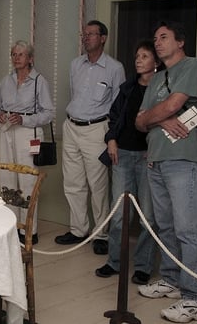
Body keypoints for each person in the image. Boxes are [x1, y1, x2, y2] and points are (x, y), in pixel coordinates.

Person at [135, 21, 197, 322]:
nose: (158, 42)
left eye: (164, 37)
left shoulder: (192, 66)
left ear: (180, 42)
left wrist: (157, 116)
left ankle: (195, 299)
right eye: (155, 39)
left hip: (182, 159)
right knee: (164, 226)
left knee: (188, 229)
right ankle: (171, 279)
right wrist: (160, 118)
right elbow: (139, 121)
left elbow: (174, 105)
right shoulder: (156, 78)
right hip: (155, 159)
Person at [55, 20, 126, 255]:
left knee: (98, 185)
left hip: (97, 129)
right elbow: (76, 96)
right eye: (84, 34)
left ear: (103, 38)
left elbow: (119, 106)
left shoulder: (115, 68)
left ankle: (102, 234)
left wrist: (112, 136)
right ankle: (78, 230)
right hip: (71, 126)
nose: (86, 38)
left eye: (91, 34)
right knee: (73, 183)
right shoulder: (76, 64)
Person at [95, 40, 161, 285]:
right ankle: (115, 262)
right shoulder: (128, 88)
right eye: (137, 56)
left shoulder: (162, 89)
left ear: (156, 62)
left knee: (147, 216)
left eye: (144, 56)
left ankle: (143, 266)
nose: (138, 60)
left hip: (148, 157)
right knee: (120, 213)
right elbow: (114, 118)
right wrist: (111, 140)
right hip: (121, 154)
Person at [0, 40, 55, 245]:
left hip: (29, 134)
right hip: (6, 132)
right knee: (7, 178)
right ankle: (11, 226)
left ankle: (29, 229)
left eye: (20, 54)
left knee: (27, 181)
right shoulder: (5, 81)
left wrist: (24, 119)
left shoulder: (39, 81)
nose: (16, 58)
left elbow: (49, 114)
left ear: (30, 58)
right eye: (13, 54)